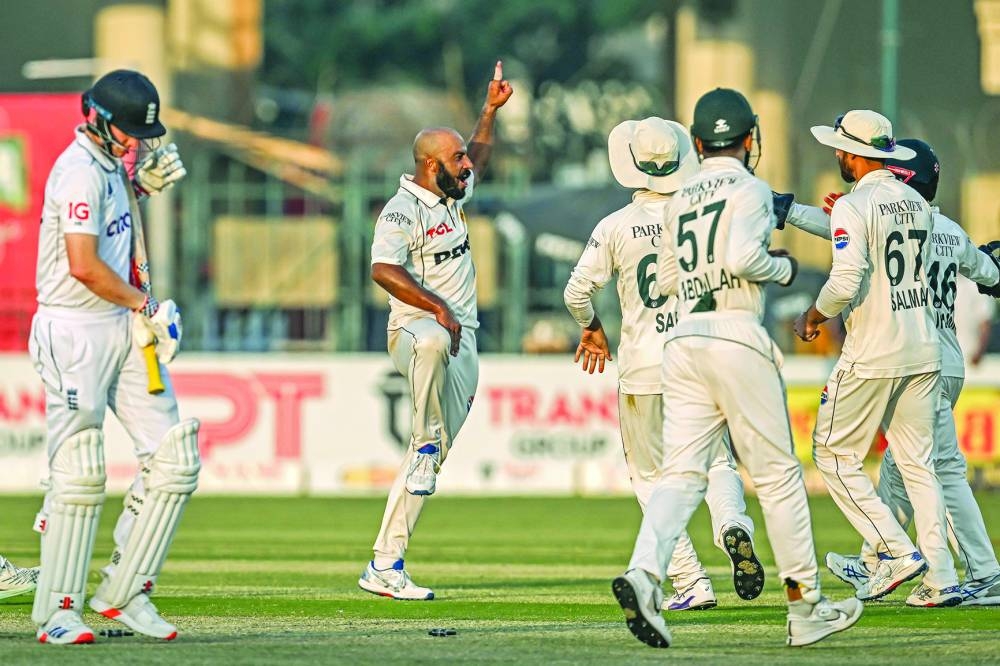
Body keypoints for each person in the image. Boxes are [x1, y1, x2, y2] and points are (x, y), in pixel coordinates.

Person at [612, 88, 861, 650]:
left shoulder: (679, 198)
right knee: (777, 478)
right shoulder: (749, 189)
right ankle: (805, 611)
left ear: (697, 144)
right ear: (750, 139)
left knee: (680, 475)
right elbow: (745, 259)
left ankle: (645, 575)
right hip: (735, 333)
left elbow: (672, 281)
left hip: (684, 341)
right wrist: (784, 269)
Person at [780, 139, 1000, 606]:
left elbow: (846, 251)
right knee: (912, 471)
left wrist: (801, 213)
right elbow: (988, 271)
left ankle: (960, 568)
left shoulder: (877, 211)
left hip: (899, 353)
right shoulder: (938, 223)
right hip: (939, 357)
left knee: (930, 470)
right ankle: (887, 561)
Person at [563, 116, 764, 611]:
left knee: (651, 477)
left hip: (645, 366)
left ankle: (690, 581)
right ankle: (733, 525)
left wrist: (592, 327)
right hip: (703, 356)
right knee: (717, 462)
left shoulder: (615, 226)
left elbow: (576, 292)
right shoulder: (706, 217)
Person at [29, 69, 198, 644]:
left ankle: (125, 591)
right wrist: (146, 304)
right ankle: (58, 611)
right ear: (97, 119)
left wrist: (138, 189)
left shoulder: (111, 169)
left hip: (122, 324)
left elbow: (115, 234)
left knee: (174, 459)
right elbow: (83, 265)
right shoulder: (78, 171)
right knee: (79, 471)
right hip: (75, 329)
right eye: (128, 131)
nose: (139, 142)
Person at [359, 61, 513, 600]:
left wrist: (489, 111)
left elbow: (483, 153)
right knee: (428, 342)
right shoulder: (402, 211)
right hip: (414, 333)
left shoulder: (452, 194)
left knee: (427, 465)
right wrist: (438, 308)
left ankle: (384, 564)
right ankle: (424, 440)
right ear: (429, 166)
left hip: (462, 341)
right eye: (456, 159)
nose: (467, 165)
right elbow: (382, 269)